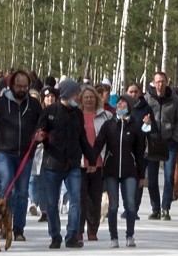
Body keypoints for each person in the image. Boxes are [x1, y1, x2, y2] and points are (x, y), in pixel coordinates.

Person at [0, 69, 43, 242]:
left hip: (26, 154)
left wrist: (40, 137)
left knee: (22, 192)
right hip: (4, 152)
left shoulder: (34, 105)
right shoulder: (1, 103)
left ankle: (18, 229)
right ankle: (3, 225)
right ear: (11, 85)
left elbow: (42, 126)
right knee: (7, 186)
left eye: (25, 86)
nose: (22, 89)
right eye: (19, 86)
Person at [35, 79, 96, 249]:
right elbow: (39, 132)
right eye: (76, 94)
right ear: (68, 94)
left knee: (75, 200)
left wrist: (91, 158)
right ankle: (55, 235)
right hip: (53, 163)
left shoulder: (77, 114)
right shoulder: (49, 111)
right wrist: (39, 137)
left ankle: (72, 236)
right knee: (52, 203)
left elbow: (82, 137)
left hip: (73, 164)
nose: (78, 97)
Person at [92, 95, 146, 248]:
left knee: (130, 204)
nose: (120, 105)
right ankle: (113, 237)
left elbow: (140, 151)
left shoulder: (135, 126)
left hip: (130, 171)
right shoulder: (109, 125)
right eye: (119, 103)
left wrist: (141, 174)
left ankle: (130, 236)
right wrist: (91, 160)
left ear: (129, 106)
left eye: (124, 103)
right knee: (113, 206)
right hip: (111, 170)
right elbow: (98, 144)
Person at [142, 71, 178, 221]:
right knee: (152, 179)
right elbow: (139, 117)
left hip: (169, 142)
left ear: (167, 82)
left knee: (169, 176)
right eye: (157, 81)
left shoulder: (174, 100)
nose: (160, 84)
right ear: (153, 83)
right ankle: (155, 208)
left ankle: (165, 208)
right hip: (153, 141)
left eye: (163, 81)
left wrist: (175, 136)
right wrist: (146, 127)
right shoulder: (147, 99)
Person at [78, 85, 113, 241]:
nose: (89, 99)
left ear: (96, 99)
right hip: (80, 162)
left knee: (95, 198)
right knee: (80, 198)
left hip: (99, 162)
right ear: (81, 99)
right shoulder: (76, 115)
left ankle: (92, 230)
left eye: (92, 97)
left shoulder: (106, 116)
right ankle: (78, 229)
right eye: (86, 97)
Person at [29, 86, 58, 223]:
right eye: (47, 97)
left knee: (51, 182)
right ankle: (44, 210)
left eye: (52, 96)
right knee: (39, 180)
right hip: (40, 150)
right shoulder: (38, 113)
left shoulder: (60, 112)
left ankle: (53, 207)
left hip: (55, 151)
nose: (50, 99)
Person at [124, 82, 152, 220]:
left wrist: (148, 125)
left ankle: (134, 208)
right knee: (126, 179)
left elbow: (152, 131)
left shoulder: (146, 109)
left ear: (141, 93)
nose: (134, 94)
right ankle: (127, 207)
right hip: (125, 150)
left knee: (139, 180)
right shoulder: (122, 108)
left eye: (136, 91)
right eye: (131, 92)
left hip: (141, 150)